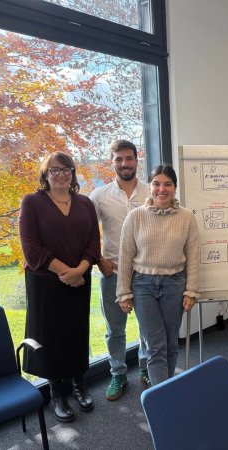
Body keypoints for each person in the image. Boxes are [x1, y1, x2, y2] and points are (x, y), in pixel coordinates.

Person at [19, 151, 101, 422]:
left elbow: (93, 243)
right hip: (46, 283)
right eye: (55, 170)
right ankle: (56, 393)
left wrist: (79, 271)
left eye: (67, 169)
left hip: (80, 280)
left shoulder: (85, 203)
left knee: (76, 332)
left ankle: (79, 384)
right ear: (45, 174)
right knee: (51, 336)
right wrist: (67, 272)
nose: (62, 174)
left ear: (73, 174)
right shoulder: (32, 202)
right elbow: (31, 249)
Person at [116, 164, 200, 386]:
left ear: (175, 187)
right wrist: (123, 293)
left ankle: (166, 390)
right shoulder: (135, 217)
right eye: (156, 184)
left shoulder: (187, 218)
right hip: (142, 285)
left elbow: (193, 256)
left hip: (175, 284)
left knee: (171, 344)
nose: (161, 189)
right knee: (155, 346)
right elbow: (125, 256)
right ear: (150, 186)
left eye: (167, 184)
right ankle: (162, 399)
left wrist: (191, 291)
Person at [89, 140, 149, 401]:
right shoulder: (99, 196)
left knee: (147, 326)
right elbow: (88, 232)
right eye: (119, 159)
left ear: (136, 160)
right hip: (112, 273)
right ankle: (118, 373)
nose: (125, 164)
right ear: (112, 162)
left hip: (145, 272)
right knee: (115, 329)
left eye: (129, 158)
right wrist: (99, 260)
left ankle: (146, 367)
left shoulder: (150, 192)